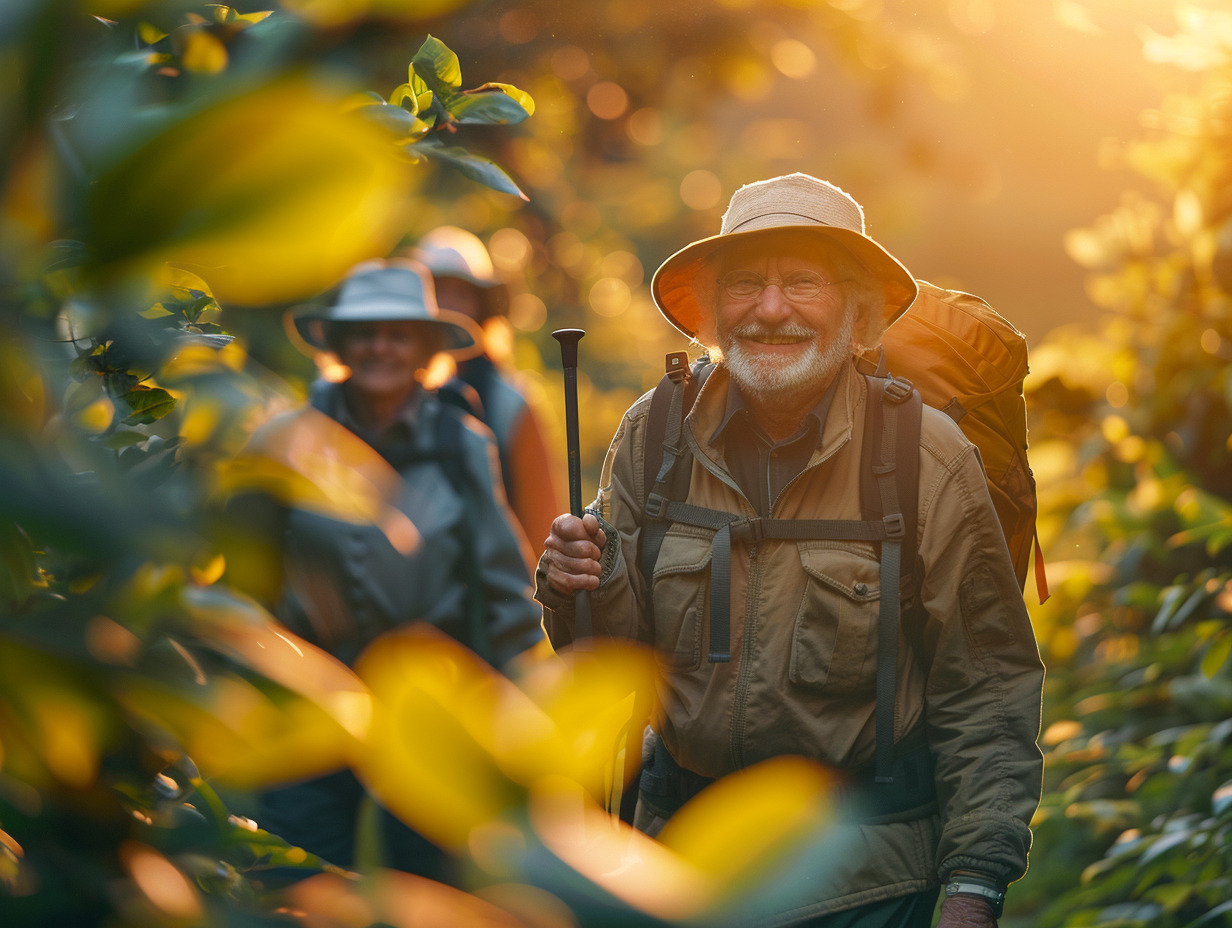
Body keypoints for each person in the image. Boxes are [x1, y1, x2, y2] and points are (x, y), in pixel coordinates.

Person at [535, 173, 1044, 927]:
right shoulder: (656, 433)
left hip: (863, 883)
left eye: (802, 282)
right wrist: (575, 584)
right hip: (679, 868)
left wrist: (974, 887)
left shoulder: (924, 457)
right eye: (746, 283)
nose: (771, 310)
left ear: (859, 313)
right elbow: (613, 664)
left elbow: (986, 685)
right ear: (710, 312)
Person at [246, 258, 546, 882]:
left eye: (397, 333)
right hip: (308, 714)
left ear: (427, 348)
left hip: (429, 714)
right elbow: (241, 582)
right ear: (337, 344)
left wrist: (522, 715)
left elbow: (505, 590)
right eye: (364, 331)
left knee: (423, 891)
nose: (379, 346)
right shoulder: (286, 441)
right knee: (306, 886)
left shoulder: (462, 443)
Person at [411, 226, 565, 553]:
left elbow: (543, 527)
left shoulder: (511, 405)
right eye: (436, 293)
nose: (448, 307)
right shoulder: (390, 397)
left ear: (481, 308)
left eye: (460, 295)